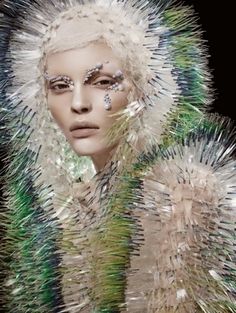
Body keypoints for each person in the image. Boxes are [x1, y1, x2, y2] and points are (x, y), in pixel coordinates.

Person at [0, 0, 235, 312]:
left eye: (103, 82)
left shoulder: (181, 193)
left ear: (141, 87)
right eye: (59, 86)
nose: (78, 103)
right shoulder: (76, 203)